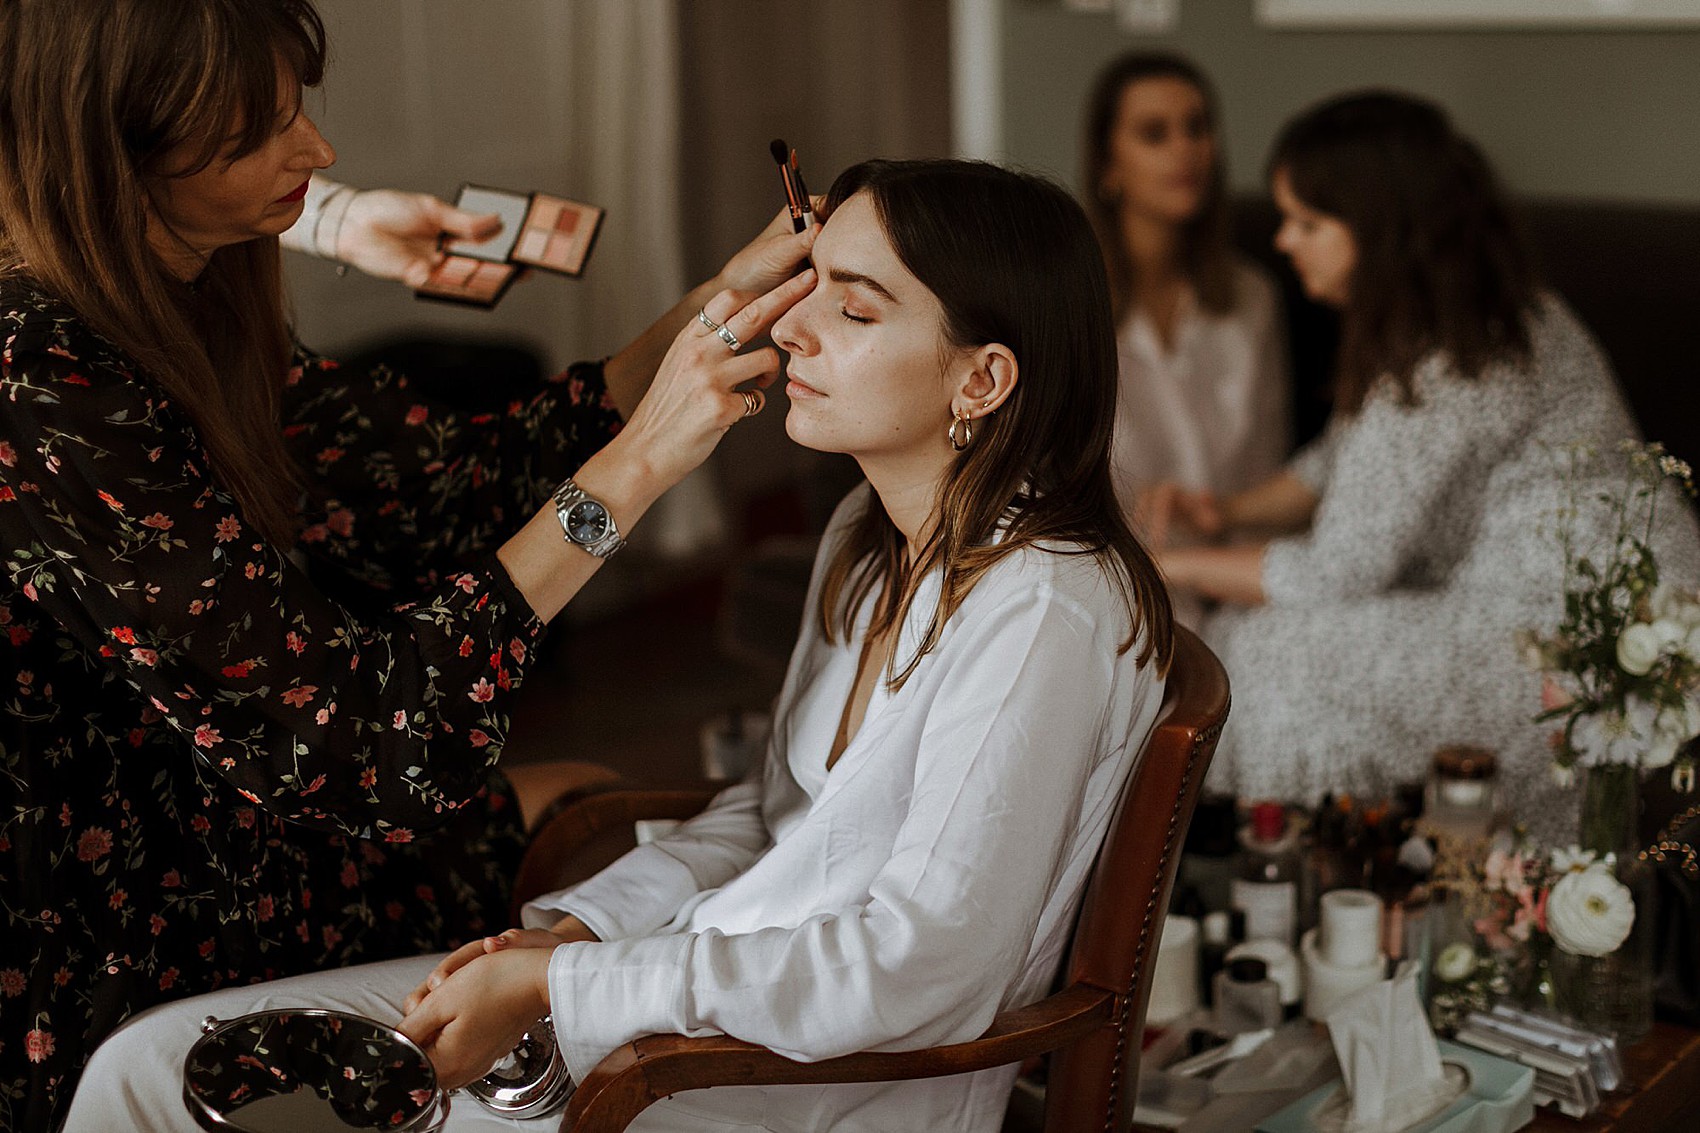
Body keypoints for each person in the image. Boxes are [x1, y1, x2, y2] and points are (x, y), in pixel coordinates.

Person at [66, 158, 1176, 1133]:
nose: (787, 325)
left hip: (789, 1085)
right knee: (143, 1067)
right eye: (806, 288)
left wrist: (576, 986)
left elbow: (918, 966)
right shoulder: (865, 534)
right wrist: (569, 930)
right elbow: (776, 812)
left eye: (853, 309)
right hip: (675, 1007)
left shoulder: (1042, 608)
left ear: (980, 378)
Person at [0, 0, 815, 1125]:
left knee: (594, 814)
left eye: (298, 107)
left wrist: (714, 309)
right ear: (111, 157)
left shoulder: (188, 300)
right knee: (588, 830)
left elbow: (444, 481)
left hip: (269, 829)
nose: (318, 154)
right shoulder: (46, 388)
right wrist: (632, 472)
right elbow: (354, 742)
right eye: (259, 131)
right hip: (139, 919)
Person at [1147, 91, 1700, 843]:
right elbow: (1335, 462)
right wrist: (1229, 512)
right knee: (1248, 627)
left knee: (1267, 651)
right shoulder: (1471, 314)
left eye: (1308, 222)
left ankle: (1274, 874)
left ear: (1379, 232)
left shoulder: (1450, 357)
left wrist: (1171, 563)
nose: (1283, 241)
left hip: (1582, 642)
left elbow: (1337, 570)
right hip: (1582, 606)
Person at [1082, 53, 1289, 535]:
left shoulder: (1253, 296)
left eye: (1197, 128)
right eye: (1155, 133)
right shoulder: (1070, 302)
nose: (1185, 150)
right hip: (1112, 570)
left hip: (1231, 569)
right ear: (1108, 164)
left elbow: (1269, 466)